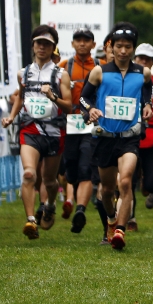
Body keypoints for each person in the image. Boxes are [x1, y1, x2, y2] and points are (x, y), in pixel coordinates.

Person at [79, 22, 153, 250]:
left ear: (133, 48)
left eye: (128, 47)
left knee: (126, 181)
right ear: (111, 47)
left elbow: (147, 89)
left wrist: (147, 104)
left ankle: (120, 230)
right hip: (105, 137)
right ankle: (111, 220)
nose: (123, 51)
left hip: (130, 136)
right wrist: (90, 110)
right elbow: (83, 98)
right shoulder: (100, 72)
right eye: (119, 46)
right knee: (107, 189)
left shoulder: (143, 73)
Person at [2, 25, 73, 240]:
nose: (42, 47)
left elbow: (69, 106)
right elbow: (21, 97)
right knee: (29, 174)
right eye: (39, 43)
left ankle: (50, 204)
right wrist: (11, 116)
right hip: (30, 129)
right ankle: (31, 220)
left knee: (49, 181)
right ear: (33, 45)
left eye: (47, 44)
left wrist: (53, 97)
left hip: (53, 132)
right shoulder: (23, 73)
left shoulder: (61, 75)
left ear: (53, 48)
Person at [57, 28, 97, 232]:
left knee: (86, 169)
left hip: (91, 124)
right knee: (70, 170)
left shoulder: (99, 66)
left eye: (86, 40)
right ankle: (71, 192)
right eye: (78, 40)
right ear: (72, 44)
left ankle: (80, 209)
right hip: (70, 123)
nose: (82, 43)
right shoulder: (63, 67)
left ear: (93, 44)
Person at [133, 42, 153, 230]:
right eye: (140, 58)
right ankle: (130, 218)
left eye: (147, 59)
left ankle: (148, 184)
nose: (143, 62)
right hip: (129, 136)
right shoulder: (124, 80)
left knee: (152, 185)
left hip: (152, 137)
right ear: (135, 59)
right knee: (128, 181)